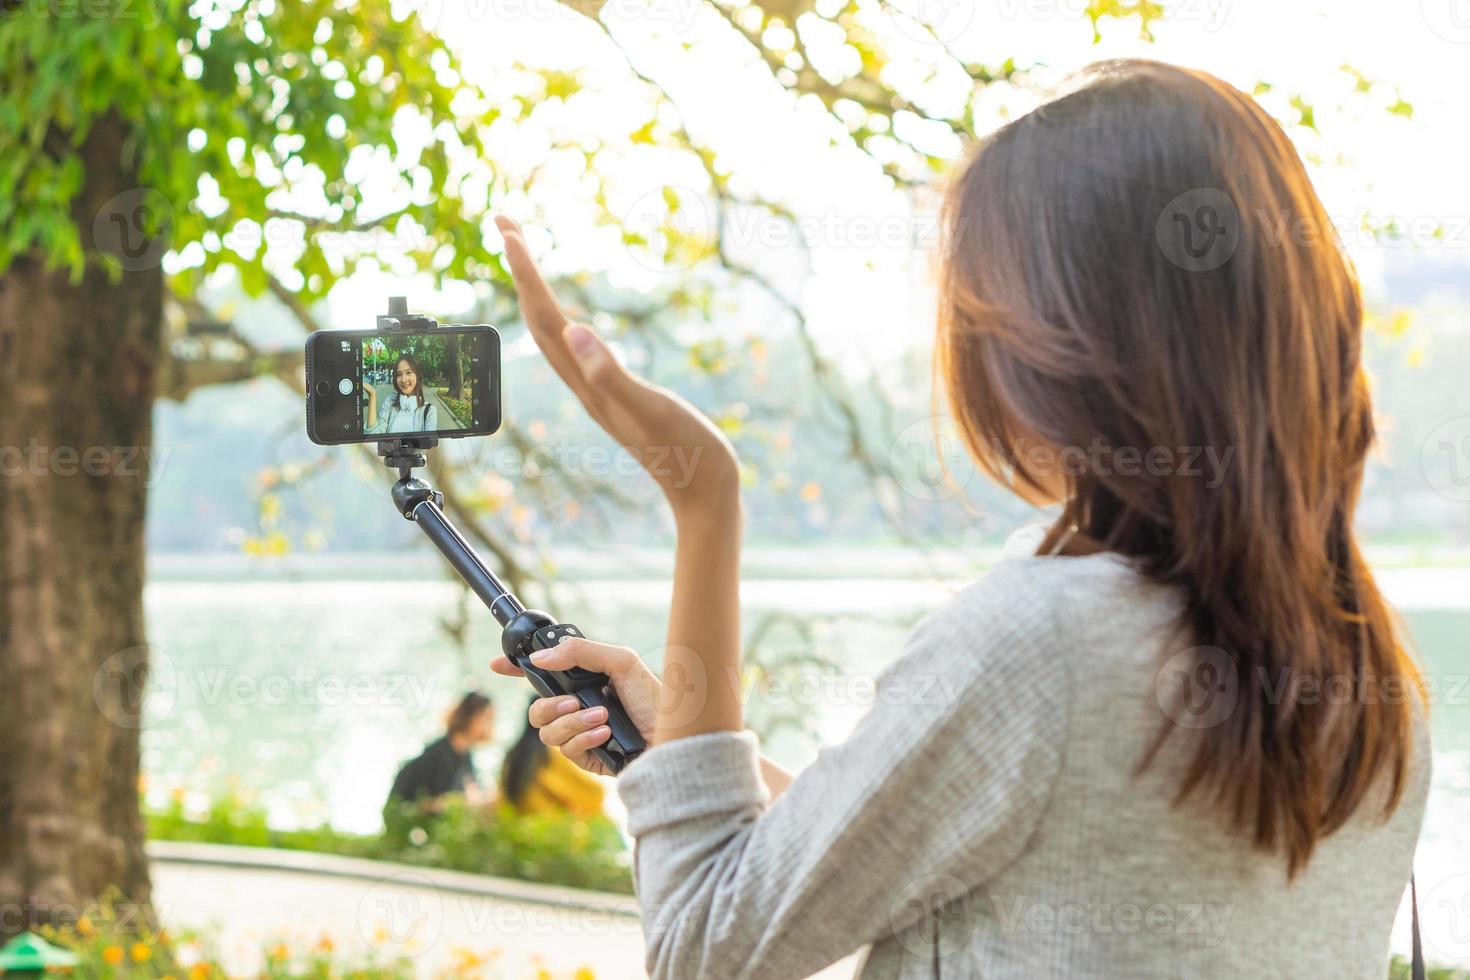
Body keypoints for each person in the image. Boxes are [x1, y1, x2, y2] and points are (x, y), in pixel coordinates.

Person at [488, 58, 1432, 980]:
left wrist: (706, 500)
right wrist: (686, 739)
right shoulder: (1371, 673)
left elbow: (707, 950)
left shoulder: (1041, 640)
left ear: (1061, 333)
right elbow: (946, 859)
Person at [385, 691, 495, 812]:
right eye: (486, 718)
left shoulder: (465, 755)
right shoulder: (436, 756)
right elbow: (424, 804)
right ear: (469, 716)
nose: (489, 724)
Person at [499, 697, 607, 818]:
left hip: (518, 827)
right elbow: (593, 793)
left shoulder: (513, 753)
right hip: (551, 827)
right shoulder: (551, 753)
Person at [365, 352, 438, 434]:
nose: (403, 379)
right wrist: (372, 395)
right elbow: (374, 436)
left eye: (408, 372)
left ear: (418, 375)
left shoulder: (429, 410)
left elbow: (429, 444)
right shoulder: (389, 402)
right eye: (399, 374)